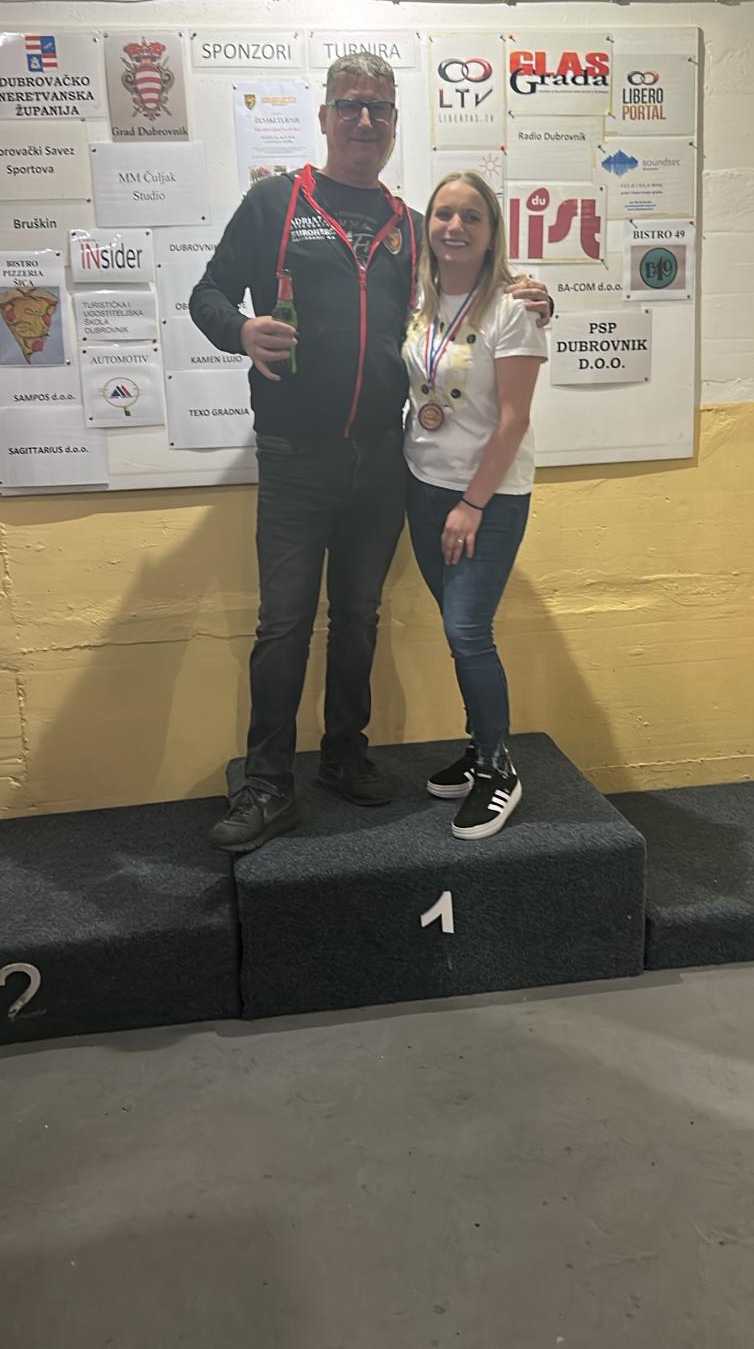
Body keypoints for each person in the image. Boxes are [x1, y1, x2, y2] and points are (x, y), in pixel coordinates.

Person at [190, 53, 551, 854]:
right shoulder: (274, 202)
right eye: (350, 106)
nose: (364, 121)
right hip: (294, 456)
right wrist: (239, 331)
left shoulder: (410, 228)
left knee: (358, 616)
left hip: (385, 458)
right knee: (284, 623)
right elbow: (205, 294)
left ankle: (344, 754)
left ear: (393, 124)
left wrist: (534, 293)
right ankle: (267, 785)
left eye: (379, 109)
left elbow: (470, 291)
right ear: (324, 117)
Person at [403, 171, 548, 840]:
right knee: (456, 632)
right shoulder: (421, 300)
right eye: (443, 215)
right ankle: (480, 744)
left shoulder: (513, 309)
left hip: (485, 498)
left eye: (472, 217)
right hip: (422, 485)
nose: (455, 227)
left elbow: (513, 420)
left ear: (492, 234)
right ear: (427, 226)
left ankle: (498, 769)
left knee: (468, 632)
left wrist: (471, 504)